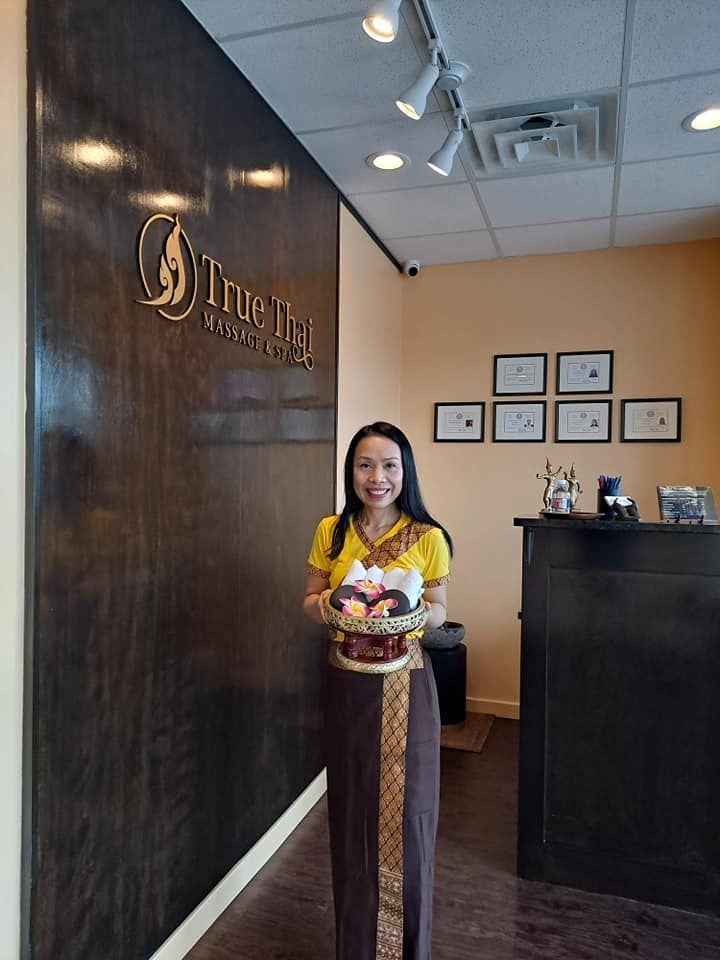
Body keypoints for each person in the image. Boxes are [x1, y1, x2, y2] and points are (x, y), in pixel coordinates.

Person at [303, 421, 452, 960]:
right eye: (365, 465)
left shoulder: (428, 537)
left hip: (406, 688)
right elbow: (309, 600)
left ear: (405, 471)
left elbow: (441, 611)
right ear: (351, 471)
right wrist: (337, 604)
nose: (377, 477)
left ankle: (405, 950)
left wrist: (408, 614)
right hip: (347, 686)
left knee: (409, 817)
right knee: (350, 816)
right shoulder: (332, 531)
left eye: (389, 465)